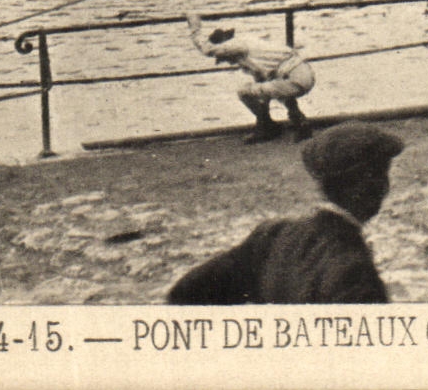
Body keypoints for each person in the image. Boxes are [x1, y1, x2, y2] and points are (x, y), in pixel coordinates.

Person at [166, 120, 402, 304]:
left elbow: (186, 293)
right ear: (376, 185)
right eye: (382, 176)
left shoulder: (272, 235)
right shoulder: (354, 271)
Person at [187, 12, 315, 144]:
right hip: (302, 73)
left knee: (244, 92)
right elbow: (264, 82)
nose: (228, 62)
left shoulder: (238, 46)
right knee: (270, 87)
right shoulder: (251, 43)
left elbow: (207, 49)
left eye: (225, 57)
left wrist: (194, 26)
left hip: (294, 78)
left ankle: (270, 127)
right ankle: (298, 123)